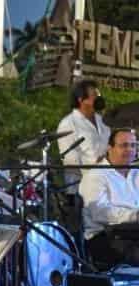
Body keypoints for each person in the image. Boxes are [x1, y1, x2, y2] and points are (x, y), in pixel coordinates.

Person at [79, 127, 139, 269]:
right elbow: (100, 213)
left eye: (133, 145)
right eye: (124, 145)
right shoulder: (96, 175)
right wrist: (135, 215)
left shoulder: (136, 173)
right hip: (105, 238)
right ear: (109, 148)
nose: (130, 150)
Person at [57, 80, 110, 192]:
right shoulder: (68, 124)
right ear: (81, 100)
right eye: (94, 95)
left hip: (108, 181)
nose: (99, 98)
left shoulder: (103, 121)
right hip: (82, 188)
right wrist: (97, 164)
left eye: (99, 95)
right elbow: (70, 162)